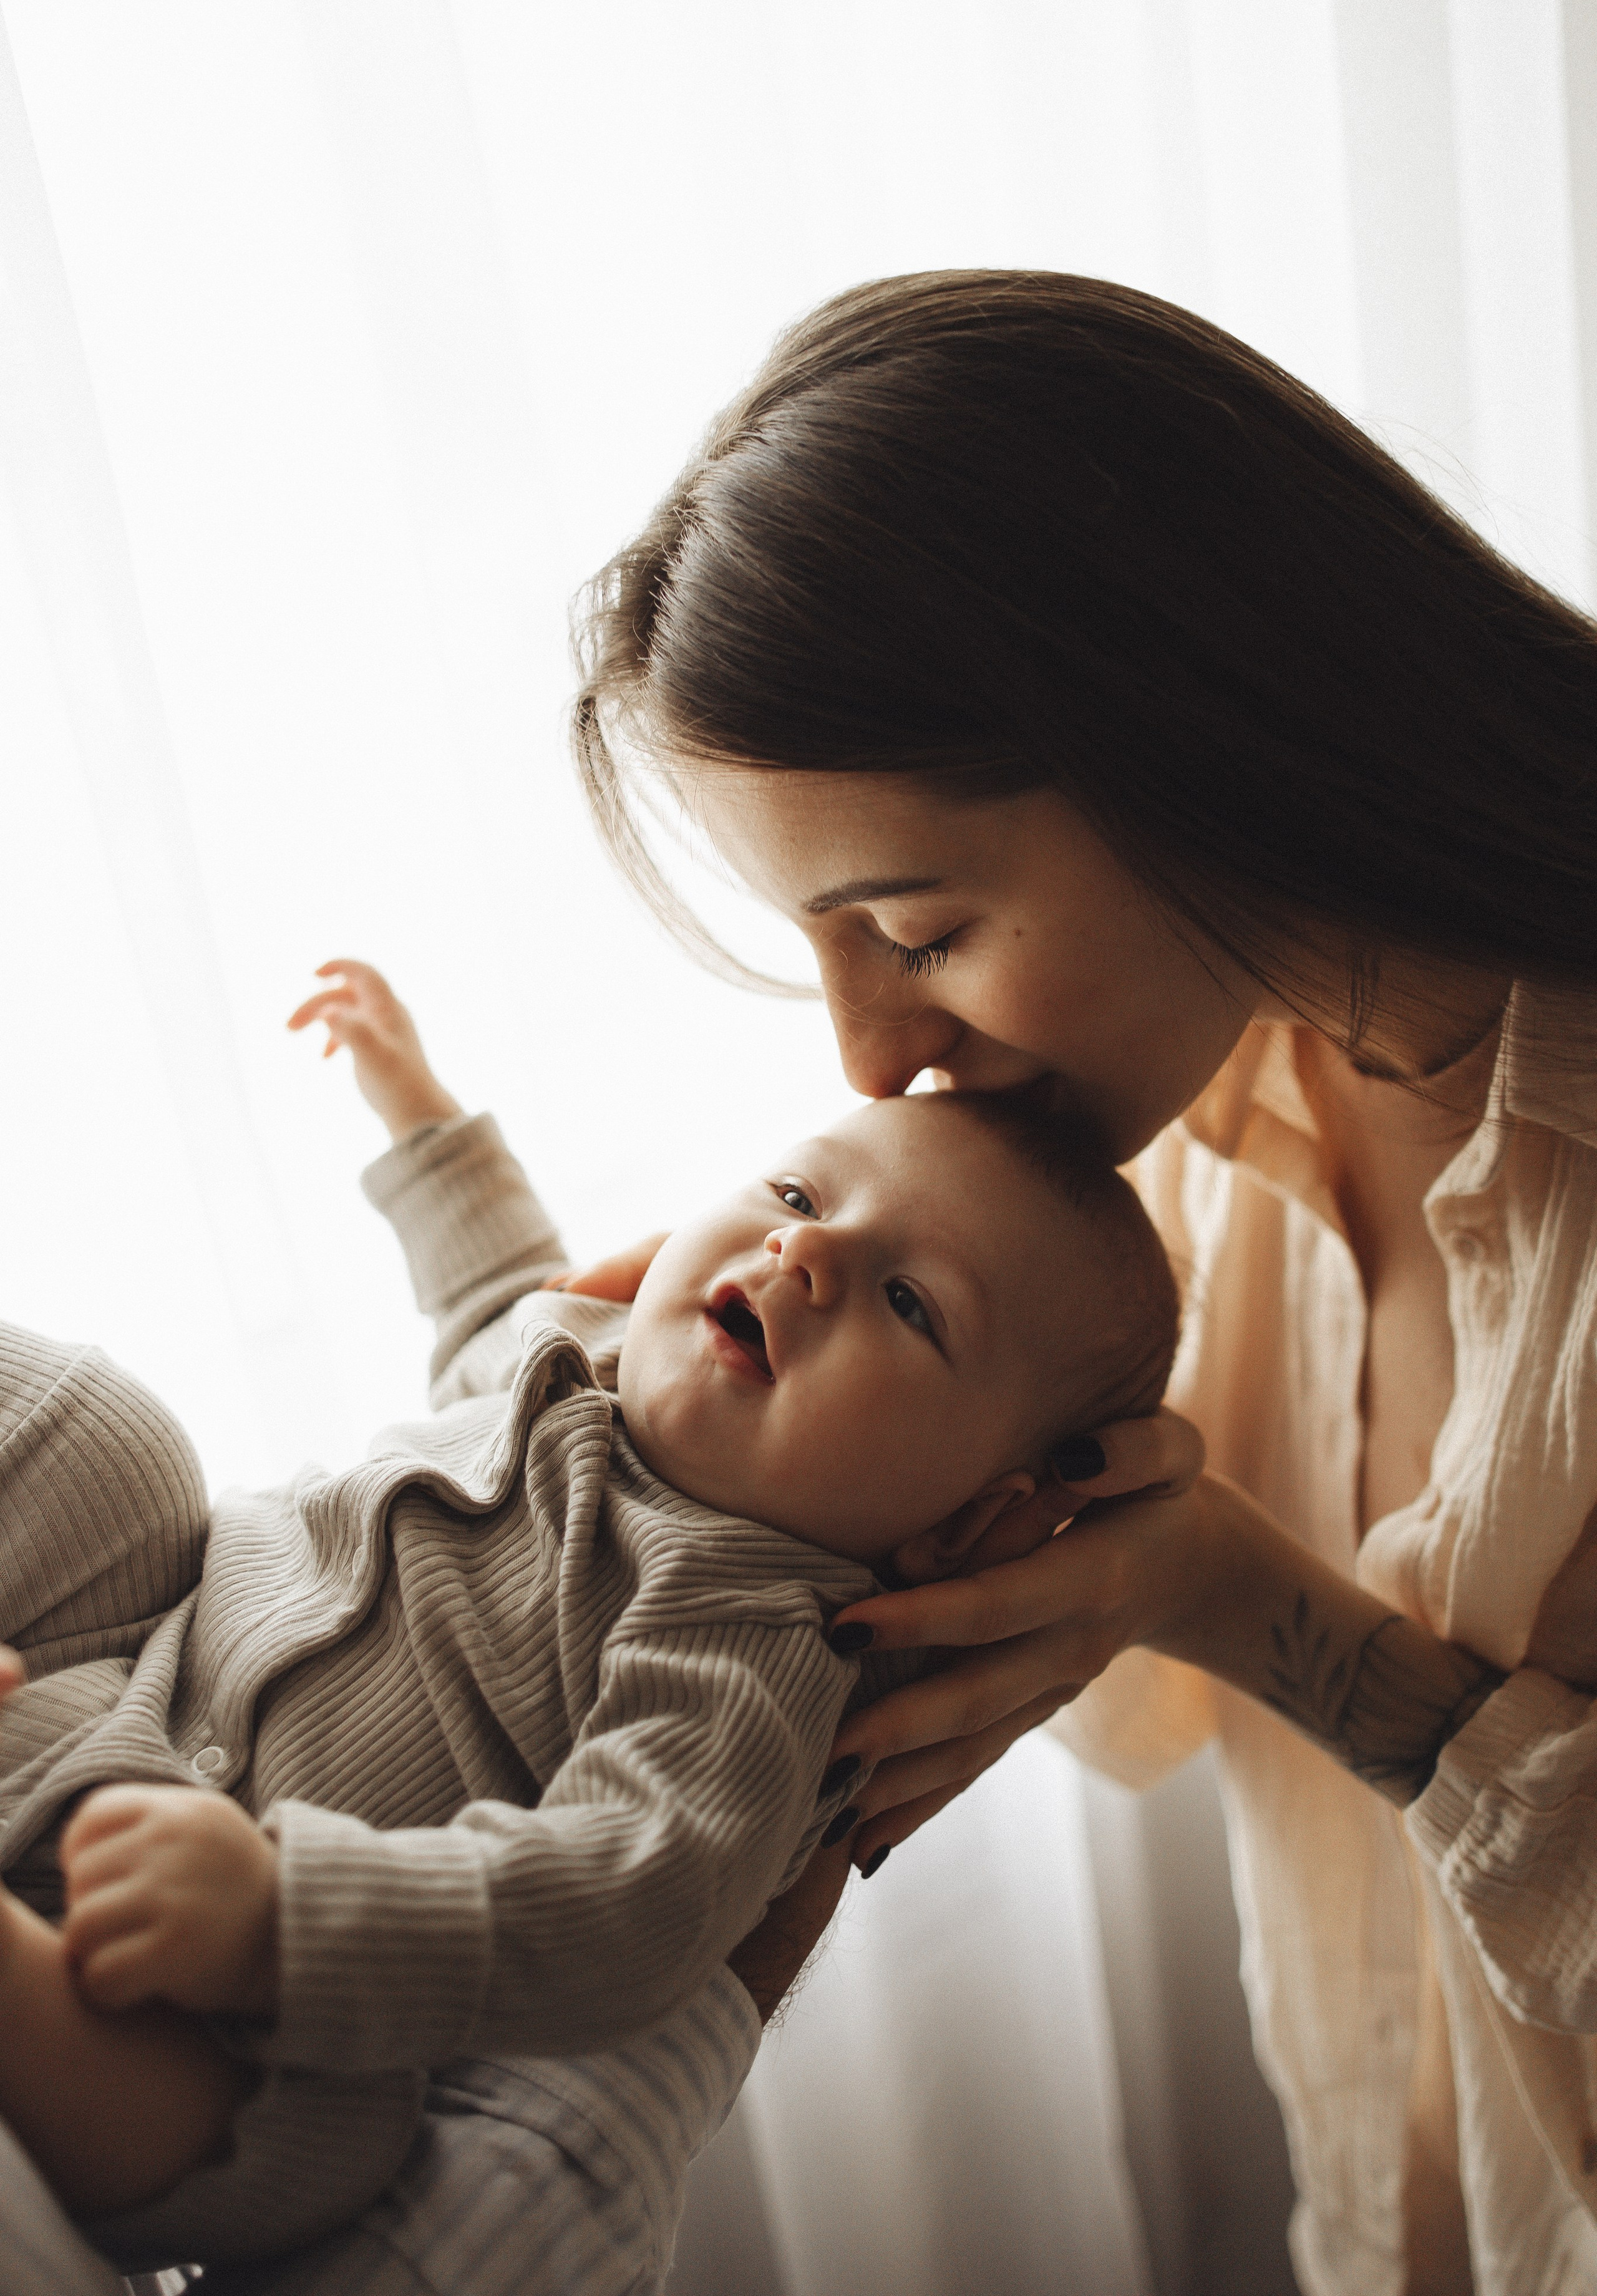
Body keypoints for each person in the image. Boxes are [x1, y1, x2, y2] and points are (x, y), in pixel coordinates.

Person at [570, 268, 1597, 2295]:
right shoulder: (1205, 1105)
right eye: (826, 950)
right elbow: (1140, 1730)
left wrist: (1267, 1615)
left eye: (921, 933)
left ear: (1205, 742)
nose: (868, 1059)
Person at [0, 960, 1177, 2281]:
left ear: (967, 1520)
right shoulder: (592, 1358)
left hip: (224, 1996)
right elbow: (492, 1297)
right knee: (99, 1442)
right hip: (110, 1686)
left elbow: (634, 1898)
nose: (804, 1252)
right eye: (796, 1194)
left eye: (909, 1302)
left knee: (286, 2132)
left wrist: (292, 1920)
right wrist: (422, 1117)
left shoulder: (754, 1641)